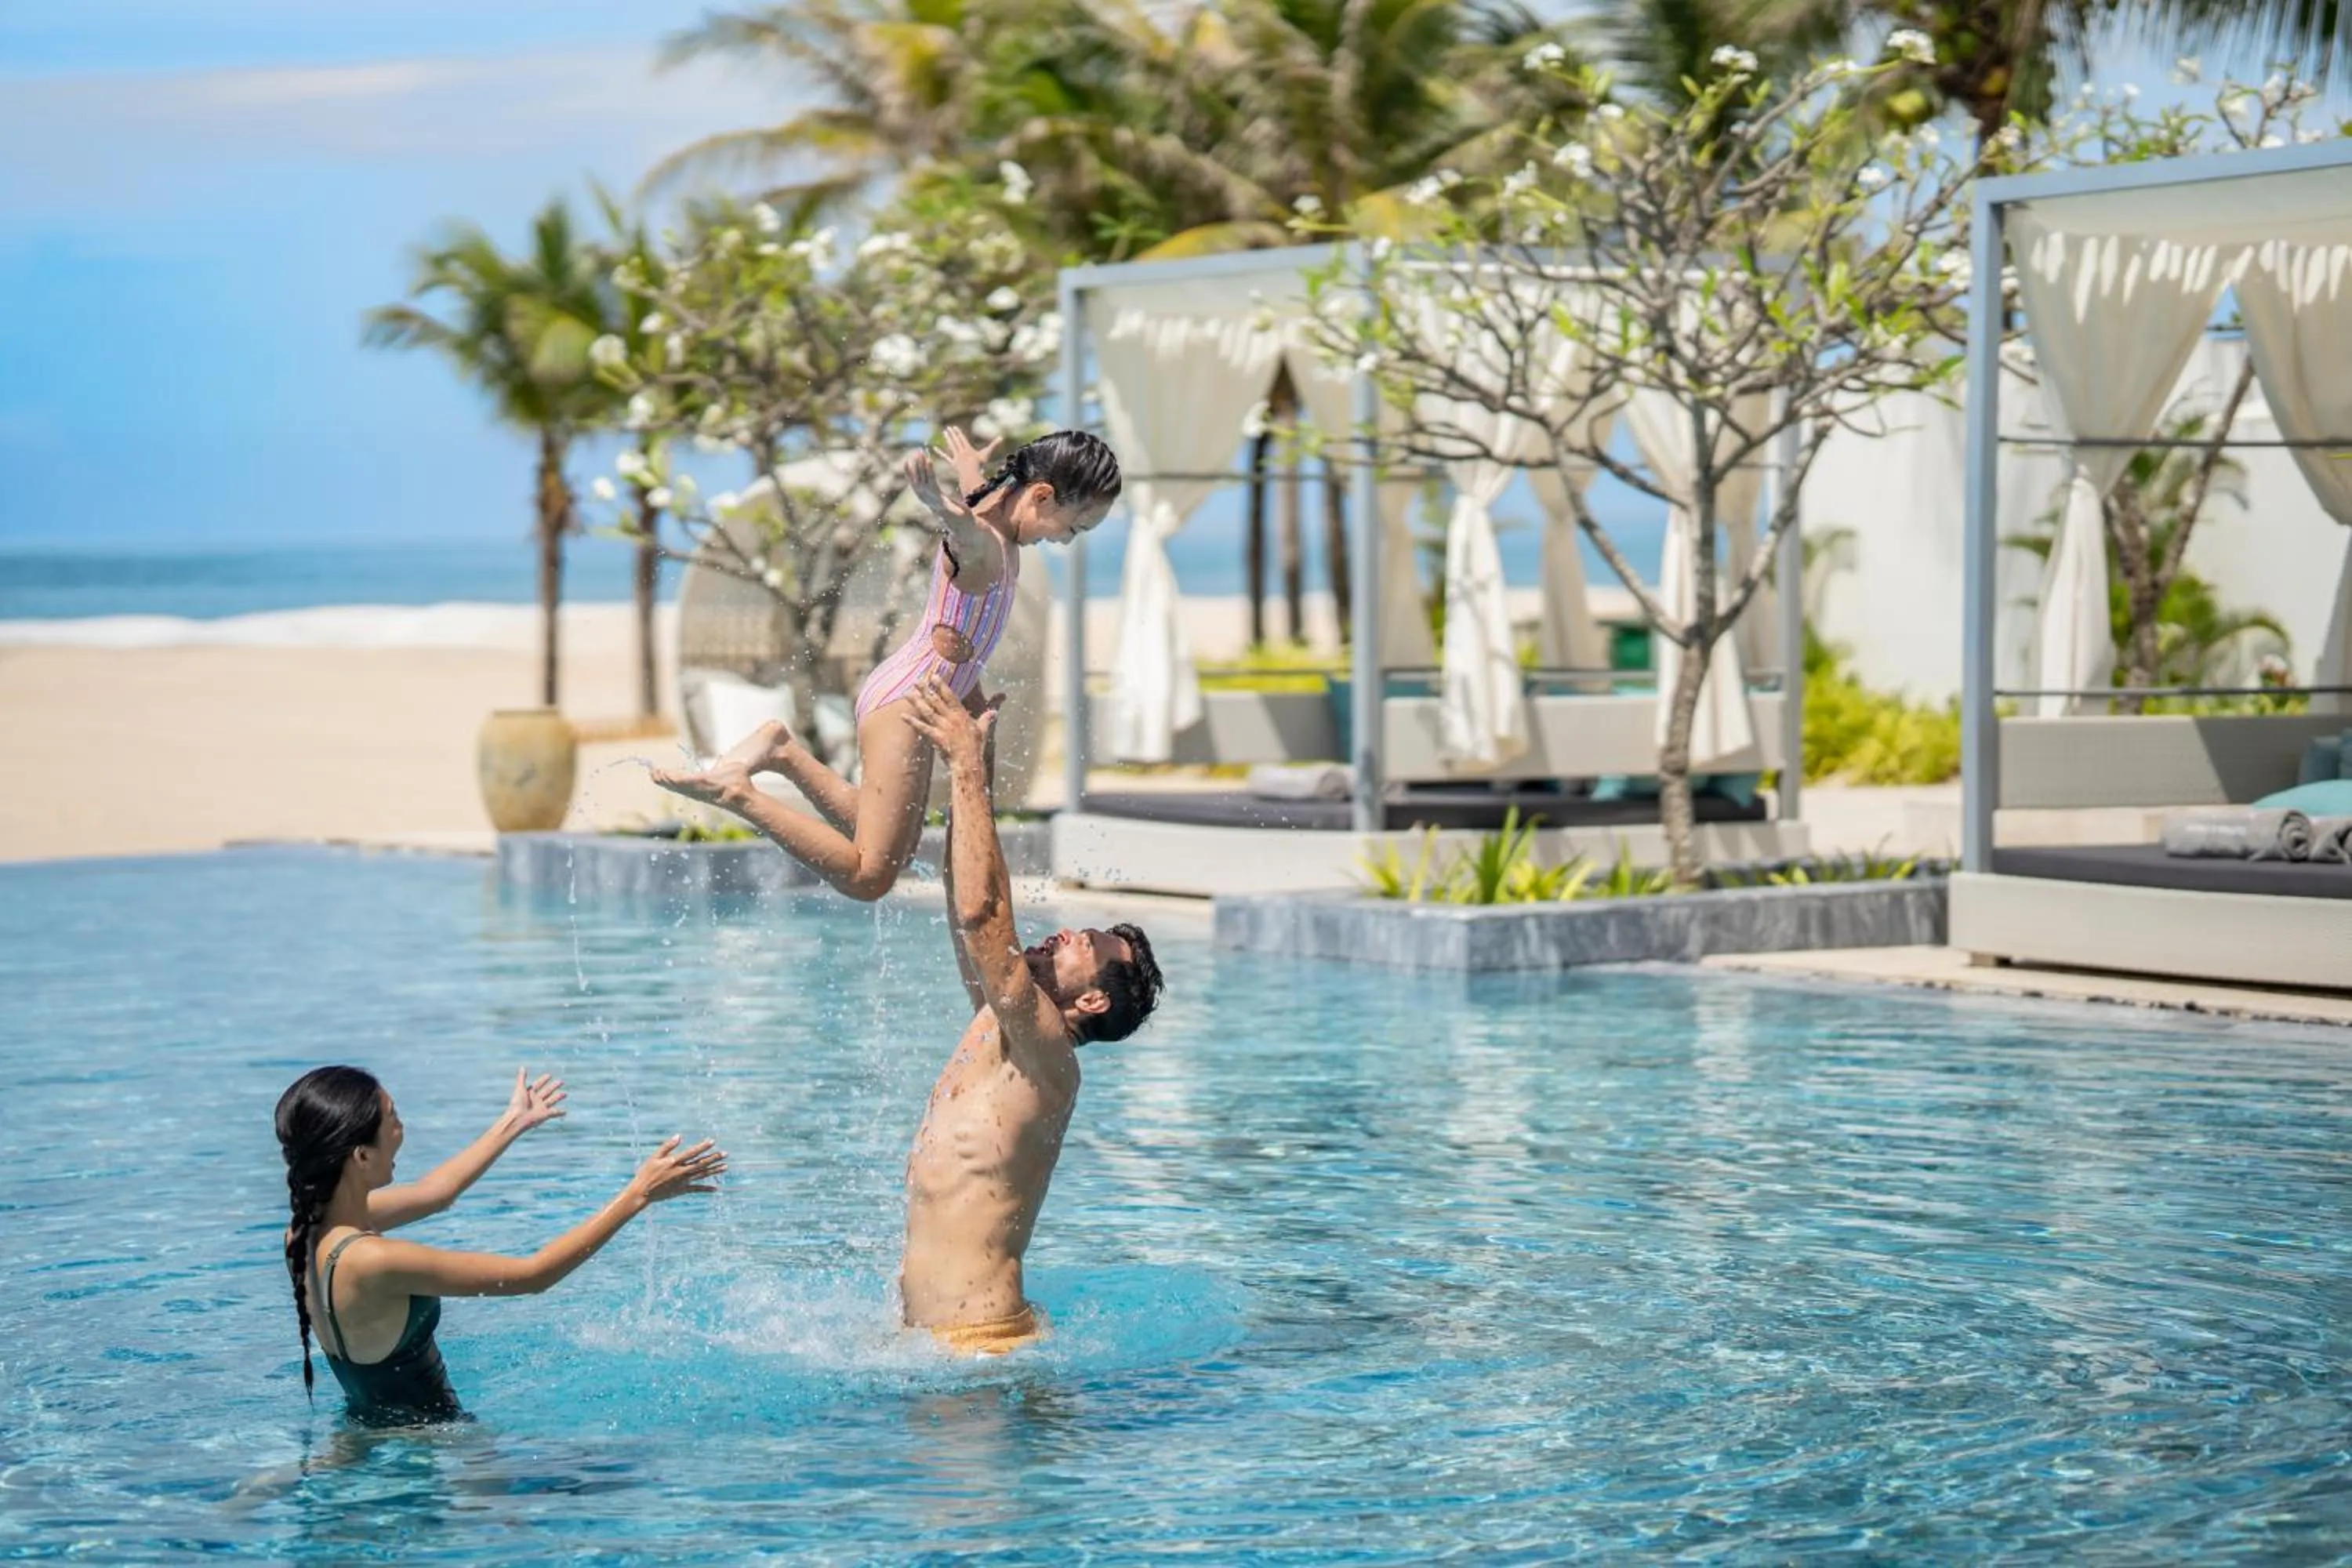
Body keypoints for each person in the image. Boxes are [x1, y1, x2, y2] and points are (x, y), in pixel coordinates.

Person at [652, 427, 1120, 902]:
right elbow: (962, 528)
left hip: (912, 695)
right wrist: (934, 501)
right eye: (1073, 528)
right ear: (1041, 495)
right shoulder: (980, 539)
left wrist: (967, 468)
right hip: (905, 703)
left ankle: (783, 752)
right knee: (869, 878)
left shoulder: (995, 519)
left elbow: (975, 501)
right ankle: (740, 793)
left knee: (894, 844)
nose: (1066, 541)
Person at [895, 674, 1164, 1354]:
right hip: (942, 1346)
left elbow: (986, 919)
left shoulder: (1049, 1055)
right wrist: (977, 759)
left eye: (1090, 944)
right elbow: (968, 895)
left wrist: (959, 764)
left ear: (1093, 1000)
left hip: (979, 1346)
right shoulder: (1002, 1024)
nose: (1071, 932)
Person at [275, 1065, 726, 1425]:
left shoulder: (304, 1232)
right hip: (433, 1442)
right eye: (394, 1119)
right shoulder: (373, 1260)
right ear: (361, 1156)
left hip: (364, 1431)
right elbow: (535, 1275)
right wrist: (638, 1195)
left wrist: (514, 1122)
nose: (402, 1130)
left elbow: (438, 1192)